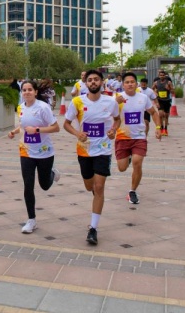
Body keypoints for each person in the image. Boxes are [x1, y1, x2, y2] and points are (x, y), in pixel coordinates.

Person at [63, 69, 120, 246]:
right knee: (90, 186)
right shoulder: (77, 101)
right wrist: (77, 133)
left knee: (99, 186)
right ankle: (95, 192)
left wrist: (113, 131)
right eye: (90, 80)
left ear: (102, 82)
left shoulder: (110, 102)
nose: (93, 82)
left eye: (96, 79)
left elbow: (117, 120)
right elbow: (66, 124)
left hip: (103, 150)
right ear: (85, 83)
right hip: (84, 150)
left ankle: (93, 228)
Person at [8, 80, 61, 234]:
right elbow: (24, 126)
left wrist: (37, 130)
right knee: (28, 185)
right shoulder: (21, 108)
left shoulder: (43, 108)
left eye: (30, 89)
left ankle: (52, 174)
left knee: (44, 185)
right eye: (24, 90)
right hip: (26, 152)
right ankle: (31, 220)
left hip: (45, 152)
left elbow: (56, 127)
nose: (27, 92)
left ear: (36, 92)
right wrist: (14, 131)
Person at [115, 73, 162, 205]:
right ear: (123, 85)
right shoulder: (117, 98)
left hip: (139, 136)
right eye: (127, 82)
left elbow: (153, 112)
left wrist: (158, 127)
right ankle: (128, 158)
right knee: (122, 168)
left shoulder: (143, 97)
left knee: (138, 161)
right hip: (122, 137)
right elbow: (106, 113)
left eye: (132, 82)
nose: (130, 84)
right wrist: (114, 103)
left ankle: (132, 191)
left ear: (136, 84)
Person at [152, 70, 174, 136]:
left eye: (163, 75)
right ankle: (161, 128)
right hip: (160, 100)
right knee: (161, 114)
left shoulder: (169, 82)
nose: (162, 76)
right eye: (160, 75)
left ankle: (165, 129)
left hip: (167, 100)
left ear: (165, 76)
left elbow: (173, 91)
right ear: (159, 76)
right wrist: (155, 92)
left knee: (166, 116)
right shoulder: (156, 83)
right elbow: (152, 89)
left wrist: (169, 89)